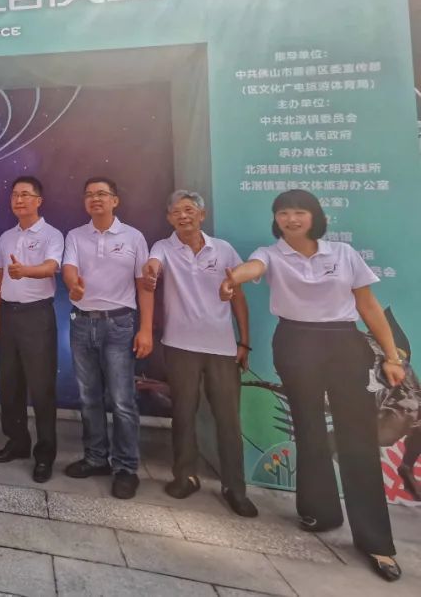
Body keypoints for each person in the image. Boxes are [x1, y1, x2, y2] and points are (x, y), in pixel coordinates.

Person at [220, 189, 405, 582]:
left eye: (299, 212)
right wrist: (233, 278)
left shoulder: (342, 254)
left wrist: (391, 356)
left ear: (314, 216)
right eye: (283, 213)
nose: (291, 219)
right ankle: (320, 511)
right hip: (295, 342)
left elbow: (368, 305)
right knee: (308, 429)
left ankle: (376, 541)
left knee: (357, 437)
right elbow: (252, 268)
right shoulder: (271, 254)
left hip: (343, 343)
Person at [141, 190, 257, 517]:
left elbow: (238, 297)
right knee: (183, 415)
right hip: (180, 346)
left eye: (189, 210)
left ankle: (235, 488)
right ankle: (185, 476)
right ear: (169, 218)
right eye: (176, 211)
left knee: (228, 419)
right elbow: (153, 265)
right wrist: (150, 272)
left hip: (222, 347)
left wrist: (244, 342)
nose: (183, 216)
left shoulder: (223, 250)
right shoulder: (163, 247)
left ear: (201, 215)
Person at [62, 176, 153, 499]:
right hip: (82, 323)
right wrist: (73, 286)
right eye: (89, 194)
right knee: (89, 397)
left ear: (115, 200)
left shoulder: (133, 237)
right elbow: (69, 269)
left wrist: (146, 329)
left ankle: (126, 467)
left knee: (122, 400)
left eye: (102, 194)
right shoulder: (76, 235)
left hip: (119, 324)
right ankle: (96, 458)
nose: (95, 199)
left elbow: (145, 285)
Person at [0, 176, 66, 483]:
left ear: (38, 200)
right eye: (14, 195)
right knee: (9, 384)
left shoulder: (52, 234)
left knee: (42, 387)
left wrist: (25, 271)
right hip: (8, 315)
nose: (18, 200)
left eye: (25, 194)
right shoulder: (6, 237)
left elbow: (51, 268)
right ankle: (17, 441)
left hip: (37, 316)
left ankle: (45, 453)